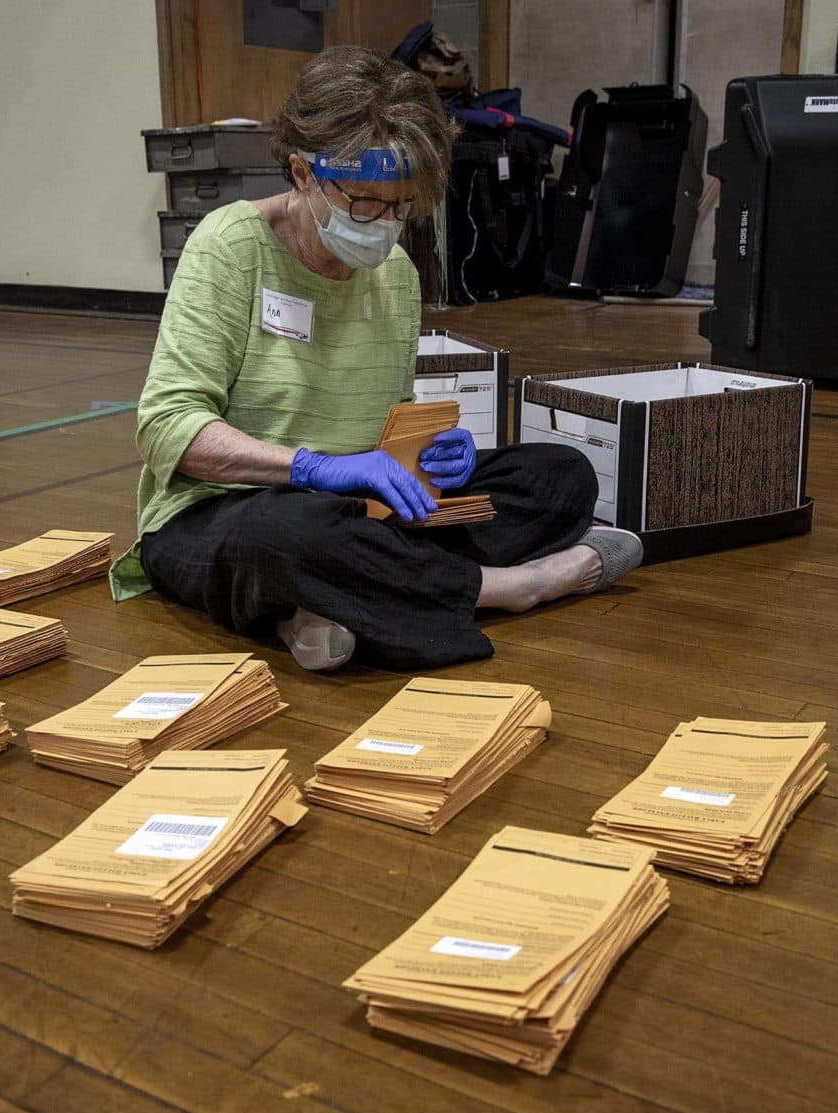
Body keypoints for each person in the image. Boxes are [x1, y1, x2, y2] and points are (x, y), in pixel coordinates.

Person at [110, 46, 640, 671]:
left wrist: (434, 450)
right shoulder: (230, 248)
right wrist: (315, 468)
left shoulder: (394, 272)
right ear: (303, 171)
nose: (384, 224)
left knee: (559, 475)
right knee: (288, 539)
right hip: (227, 509)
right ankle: (508, 588)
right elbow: (167, 428)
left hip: (360, 511)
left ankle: (311, 611)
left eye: (401, 206)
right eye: (365, 203)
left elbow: (389, 414)